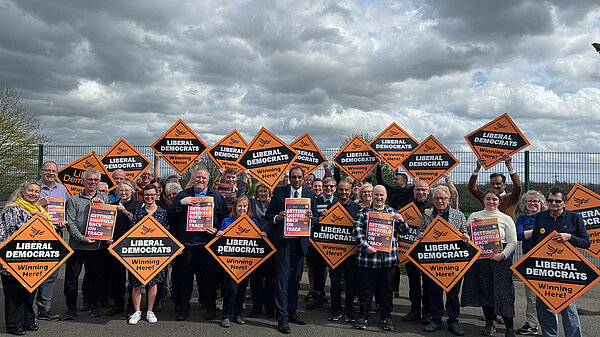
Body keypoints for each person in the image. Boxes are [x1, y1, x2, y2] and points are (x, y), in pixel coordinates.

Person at [168, 169, 229, 321]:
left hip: (207, 245)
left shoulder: (216, 196)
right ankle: (184, 308)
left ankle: (210, 308)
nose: (200, 180)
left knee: (209, 279)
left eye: (204, 178)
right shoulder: (183, 194)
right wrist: (181, 204)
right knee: (185, 279)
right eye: (198, 177)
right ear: (193, 179)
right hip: (187, 244)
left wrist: (217, 229)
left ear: (208, 180)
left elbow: (224, 217)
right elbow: (170, 215)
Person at [265, 166, 319, 334]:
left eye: (299, 177)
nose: (296, 180)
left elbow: (316, 217)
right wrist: (277, 217)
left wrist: (312, 218)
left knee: (295, 281)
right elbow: (268, 214)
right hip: (283, 243)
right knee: (282, 280)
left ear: (303, 179)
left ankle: (291, 311)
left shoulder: (310, 195)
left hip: (300, 244)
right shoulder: (279, 192)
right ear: (289, 178)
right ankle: (282, 318)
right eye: (293, 177)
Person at [531, 187, 589, 337]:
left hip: (566, 269)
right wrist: (529, 263)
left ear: (565, 203)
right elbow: (534, 243)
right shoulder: (540, 217)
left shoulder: (575, 218)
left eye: (558, 201)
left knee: (568, 306)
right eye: (550, 200)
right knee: (543, 305)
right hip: (544, 268)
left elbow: (586, 243)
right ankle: (550, 335)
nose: (553, 203)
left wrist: (569, 237)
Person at [461, 189, 518, 337]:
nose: (491, 202)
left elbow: (513, 242)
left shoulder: (506, 218)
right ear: (483, 200)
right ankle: (489, 324)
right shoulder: (474, 216)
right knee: (485, 292)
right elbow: (467, 236)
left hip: (500, 260)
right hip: (481, 260)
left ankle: (509, 328)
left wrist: (502, 255)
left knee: (503, 294)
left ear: (499, 201)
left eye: (494, 199)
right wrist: (471, 227)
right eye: (488, 199)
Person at [353, 185, 408, 331]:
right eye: (376, 194)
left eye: (381, 195)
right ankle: (363, 316)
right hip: (368, 260)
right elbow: (357, 232)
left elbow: (404, 232)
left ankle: (387, 317)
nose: (379, 198)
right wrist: (366, 247)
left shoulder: (393, 212)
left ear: (386, 196)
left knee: (386, 291)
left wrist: (401, 220)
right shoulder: (363, 213)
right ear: (372, 195)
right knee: (366, 291)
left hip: (388, 261)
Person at [1, 181, 51, 335]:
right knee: (14, 294)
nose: (33, 194)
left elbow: (49, 235)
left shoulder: (39, 210)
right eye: (30, 190)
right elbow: (4, 235)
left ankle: (28, 321)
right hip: (13, 259)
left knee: (30, 292)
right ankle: (14, 325)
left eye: (36, 191)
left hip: (33, 260)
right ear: (22, 191)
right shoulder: (12, 209)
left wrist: (45, 220)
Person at [418, 186, 469, 336]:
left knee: (453, 294)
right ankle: (436, 320)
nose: (440, 201)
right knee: (434, 292)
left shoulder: (458, 215)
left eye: (443, 198)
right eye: (436, 198)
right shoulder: (427, 215)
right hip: (434, 263)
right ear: (432, 200)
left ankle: (453, 321)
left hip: (454, 263)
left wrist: (466, 237)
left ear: (448, 199)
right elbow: (420, 231)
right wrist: (420, 235)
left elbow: (464, 232)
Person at [64, 169, 111, 319]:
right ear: (83, 181)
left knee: (95, 277)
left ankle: (94, 304)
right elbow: (70, 223)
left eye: (95, 180)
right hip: (77, 246)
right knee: (72, 278)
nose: (92, 182)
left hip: (97, 247)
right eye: (90, 180)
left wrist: (103, 206)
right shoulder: (73, 200)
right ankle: (71, 307)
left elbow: (108, 220)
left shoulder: (105, 199)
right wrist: (82, 238)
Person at [127, 184, 170, 325]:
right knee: (136, 285)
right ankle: (137, 311)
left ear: (157, 195)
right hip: (139, 255)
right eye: (147, 195)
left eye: (152, 195)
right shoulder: (138, 213)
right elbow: (132, 233)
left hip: (156, 256)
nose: (149, 197)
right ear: (143, 196)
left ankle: (150, 311)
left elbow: (167, 234)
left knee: (153, 284)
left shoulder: (163, 213)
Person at [218, 196, 263, 328]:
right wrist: (220, 234)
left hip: (245, 262)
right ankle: (226, 315)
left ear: (248, 208)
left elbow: (256, 241)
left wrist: (262, 236)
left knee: (242, 289)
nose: (242, 208)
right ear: (234, 207)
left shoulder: (253, 222)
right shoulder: (227, 221)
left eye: (245, 206)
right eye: (239, 206)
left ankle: (238, 314)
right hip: (230, 262)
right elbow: (222, 240)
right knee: (231, 288)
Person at [35, 161, 69, 322]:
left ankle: (44, 309)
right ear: (41, 172)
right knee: (34, 271)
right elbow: (22, 208)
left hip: (56, 233)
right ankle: (31, 308)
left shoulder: (62, 189)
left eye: (53, 171)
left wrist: (63, 221)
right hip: (36, 235)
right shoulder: (33, 188)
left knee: (51, 273)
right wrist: (38, 204)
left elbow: (66, 210)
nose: (51, 173)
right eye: (47, 170)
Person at [106, 181, 143, 317]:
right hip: (115, 245)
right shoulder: (112, 205)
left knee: (133, 278)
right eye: (121, 190)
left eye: (126, 190)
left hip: (132, 246)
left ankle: (132, 306)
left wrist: (125, 211)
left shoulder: (139, 205)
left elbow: (139, 223)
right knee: (117, 277)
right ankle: (118, 304)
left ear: (132, 192)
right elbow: (106, 224)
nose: (123, 193)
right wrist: (108, 238)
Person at [327, 180, 361, 322]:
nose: (343, 192)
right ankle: (335, 310)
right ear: (337, 190)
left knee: (350, 282)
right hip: (333, 253)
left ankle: (349, 310)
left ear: (351, 190)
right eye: (341, 190)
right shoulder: (331, 206)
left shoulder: (356, 208)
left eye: (346, 190)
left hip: (351, 253)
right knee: (334, 282)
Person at [515, 191, 547, 335]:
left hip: (548, 260)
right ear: (524, 203)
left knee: (549, 295)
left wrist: (532, 233)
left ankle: (550, 325)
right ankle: (532, 324)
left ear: (542, 203)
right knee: (531, 296)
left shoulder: (548, 217)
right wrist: (539, 231)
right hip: (530, 260)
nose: (533, 203)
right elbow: (519, 235)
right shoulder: (522, 218)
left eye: (536, 201)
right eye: (529, 201)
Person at [306, 177, 337, 310]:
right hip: (317, 243)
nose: (328, 189)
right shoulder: (315, 201)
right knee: (317, 270)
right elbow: (309, 220)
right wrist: (320, 218)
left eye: (331, 186)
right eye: (326, 186)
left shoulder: (339, 202)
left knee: (334, 273)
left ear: (335, 188)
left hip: (335, 244)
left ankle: (335, 302)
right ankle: (317, 296)